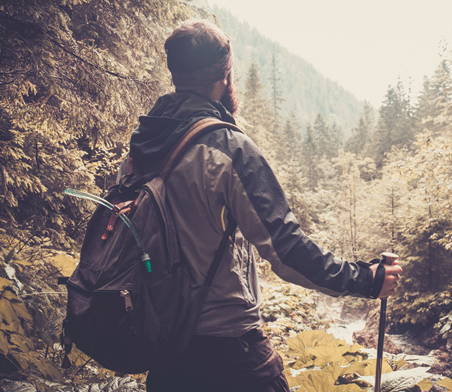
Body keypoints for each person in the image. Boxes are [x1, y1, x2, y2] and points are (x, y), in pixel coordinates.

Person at [126, 19, 403, 392]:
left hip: (167, 356)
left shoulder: (139, 152)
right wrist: (366, 279)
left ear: (175, 74)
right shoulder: (226, 149)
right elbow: (287, 251)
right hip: (232, 357)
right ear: (225, 73)